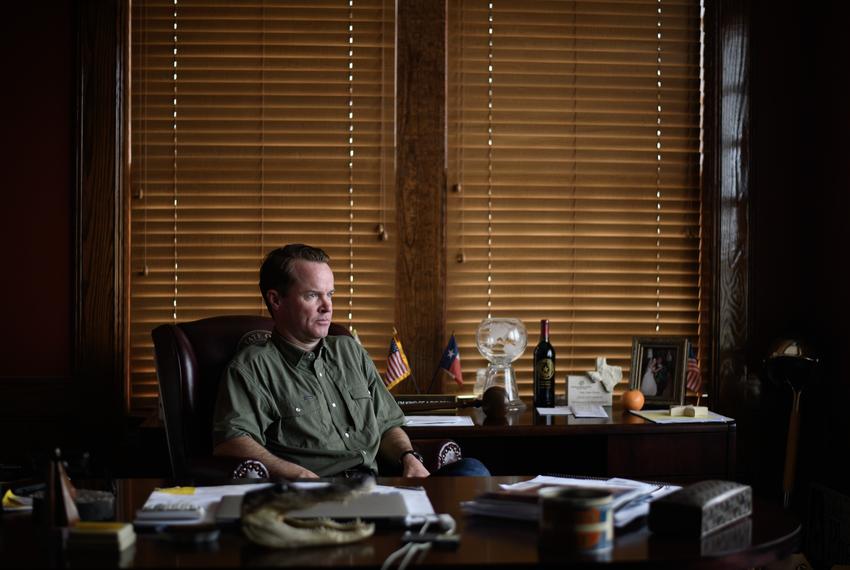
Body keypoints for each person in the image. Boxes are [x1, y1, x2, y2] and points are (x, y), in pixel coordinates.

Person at [212, 244, 489, 478]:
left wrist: (409, 457)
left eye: (330, 294)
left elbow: (386, 424)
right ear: (276, 300)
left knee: (473, 471)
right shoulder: (253, 367)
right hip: (317, 493)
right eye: (312, 295)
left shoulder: (349, 351)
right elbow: (232, 440)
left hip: (377, 485)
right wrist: (295, 474)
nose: (327, 306)